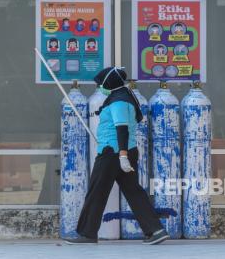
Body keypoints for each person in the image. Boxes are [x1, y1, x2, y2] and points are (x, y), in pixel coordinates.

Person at [64, 67, 169, 245]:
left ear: (109, 83)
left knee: (96, 191)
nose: (99, 87)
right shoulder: (123, 96)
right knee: (134, 192)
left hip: (112, 154)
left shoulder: (119, 101)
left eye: (100, 84)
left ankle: (87, 234)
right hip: (123, 152)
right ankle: (155, 230)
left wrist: (122, 155)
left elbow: (122, 129)